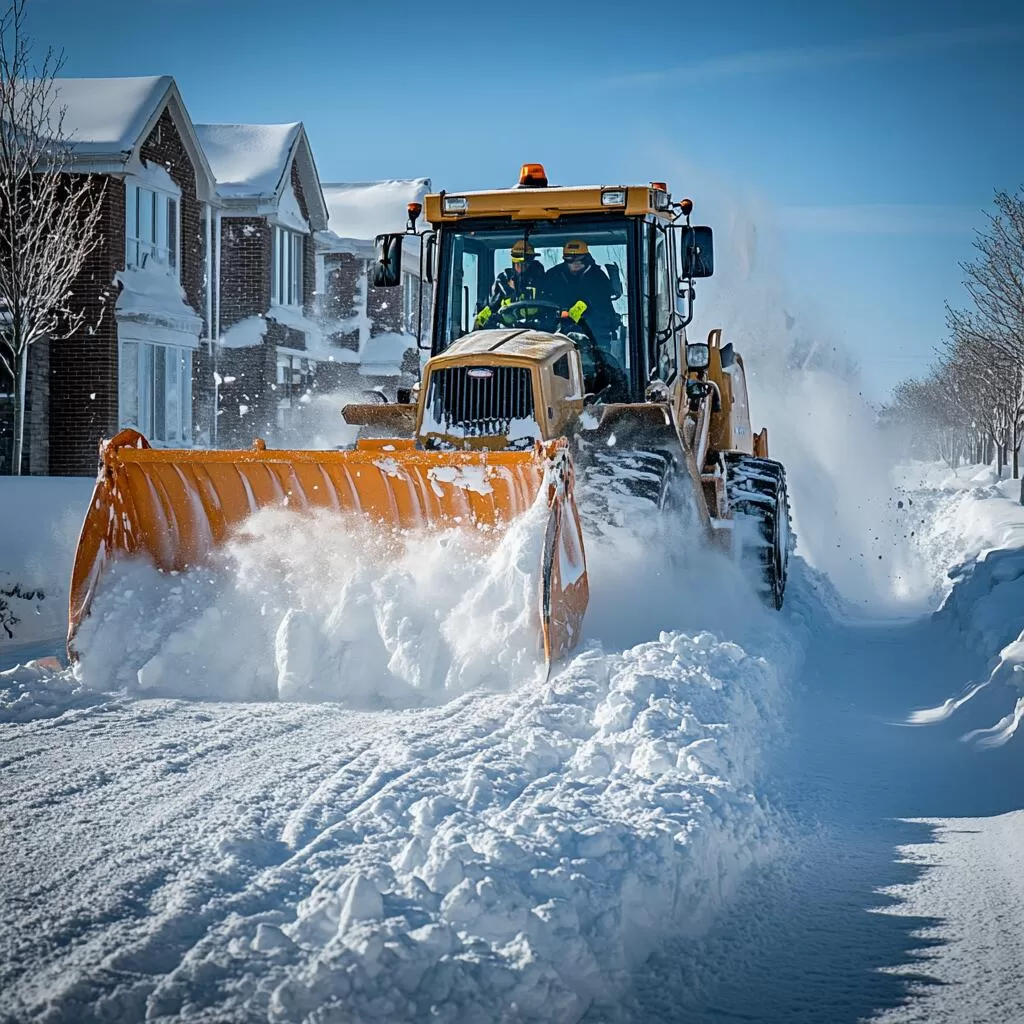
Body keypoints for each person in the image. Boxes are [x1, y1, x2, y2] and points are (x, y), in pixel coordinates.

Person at [544, 240, 625, 395]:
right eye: (569, 260)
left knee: (601, 371)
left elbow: (603, 310)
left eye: (579, 260)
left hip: (594, 337)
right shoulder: (553, 276)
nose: (574, 264)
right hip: (554, 336)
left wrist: (577, 312)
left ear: (587, 258)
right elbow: (543, 302)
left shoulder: (598, 278)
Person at [474, 239, 546, 329]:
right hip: (508, 333)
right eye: (519, 264)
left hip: (541, 333)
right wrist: (479, 322)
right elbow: (491, 307)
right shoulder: (502, 282)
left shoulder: (544, 283)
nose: (522, 268)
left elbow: (553, 306)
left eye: (526, 264)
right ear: (513, 262)